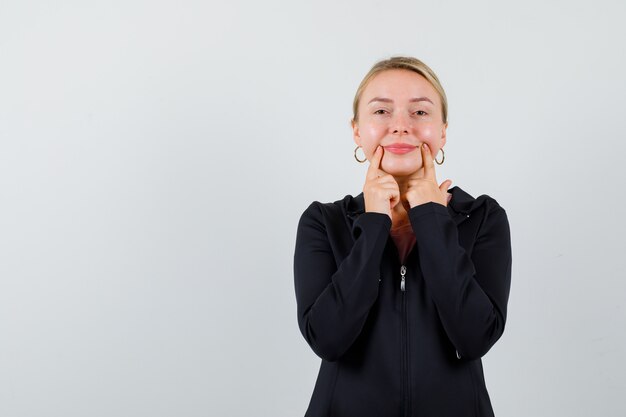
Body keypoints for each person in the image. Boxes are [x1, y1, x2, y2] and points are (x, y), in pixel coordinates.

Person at [293, 56, 512, 417]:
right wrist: (374, 222)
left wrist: (431, 219)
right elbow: (328, 339)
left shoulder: (483, 217)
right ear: (356, 131)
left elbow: (475, 338)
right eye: (381, 112)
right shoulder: (323, 221)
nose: (400, 126)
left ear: (442, 131)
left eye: (420, 112)